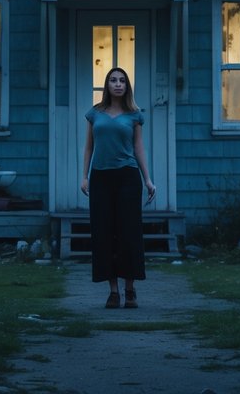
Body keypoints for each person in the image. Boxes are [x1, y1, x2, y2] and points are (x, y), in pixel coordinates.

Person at [80, 66, 156, 309]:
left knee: (129, 233)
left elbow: (139, 148)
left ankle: (130, 289)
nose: (117, 84)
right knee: (104, 233)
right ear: (107, 85)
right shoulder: (95, 114)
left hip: (127, 177)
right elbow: (89, 147)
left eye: (122, 80)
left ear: (127, 86)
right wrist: (84, 176)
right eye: (113, 80)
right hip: (101, 179)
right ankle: (113, 292)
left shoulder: (134, 115)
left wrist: (148, 179)